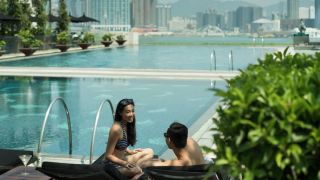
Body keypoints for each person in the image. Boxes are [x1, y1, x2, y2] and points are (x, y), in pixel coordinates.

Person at [104, 99, 154, 178]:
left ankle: (137, 167)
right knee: (136, 170)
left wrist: (130, 151)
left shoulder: (126, 124)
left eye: (132, 111)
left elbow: (119, 143)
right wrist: (124, 164)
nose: (131, 114)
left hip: (123, 159)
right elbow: (108, 156)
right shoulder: (116, 129)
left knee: (150, 151)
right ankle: (136, 172)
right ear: (120, 113)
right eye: (128, 112)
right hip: (113, 166)